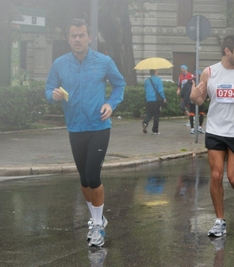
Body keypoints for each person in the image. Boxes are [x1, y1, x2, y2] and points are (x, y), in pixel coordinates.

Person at [45, 19, 126, 247]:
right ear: (69, 39)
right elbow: (48, 88)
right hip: (75, 127)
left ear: (90, 38)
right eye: (74, 36)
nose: (78, 39)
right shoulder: (60, 64)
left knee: (93, 176)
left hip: (99, 126)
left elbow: (119, 85)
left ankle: (98, 226)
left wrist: (111, 104)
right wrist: (53, 95)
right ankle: (96, 218)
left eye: (82, 35)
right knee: (83, 179)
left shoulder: (103, 61)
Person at [190, 35, 234, 237]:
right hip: (216, 129)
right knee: (216, 175)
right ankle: (220, 220)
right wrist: (194, 97)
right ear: (227, 51)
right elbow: (200, 98)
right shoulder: (210, 72)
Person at [142, 69, 166, 135]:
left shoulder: (147, 80)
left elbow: (145, 89)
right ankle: (155, 130)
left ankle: (145, 123)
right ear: (155, 72)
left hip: (148, 99)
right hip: (156, 100)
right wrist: (164, 98)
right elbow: (160, 90)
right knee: (156, 115)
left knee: (149, 114)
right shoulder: (158, 80)